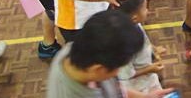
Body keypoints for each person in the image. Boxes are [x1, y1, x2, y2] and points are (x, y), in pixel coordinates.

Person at [46, 9, 174, 98]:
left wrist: (144, 97)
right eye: (118, 67)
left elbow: (114, 89)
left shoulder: (72, 50)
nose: (118, 73)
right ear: (98, 69)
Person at [117, 0, 167, 94]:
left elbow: (144, 40)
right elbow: (126, 75)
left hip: (148, 77)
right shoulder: (123, 43)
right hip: (137, 87)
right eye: (144, 8)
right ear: (134, 17)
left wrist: (154, 48)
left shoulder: (136, 24)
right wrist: (150, 69)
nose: (148, 11)